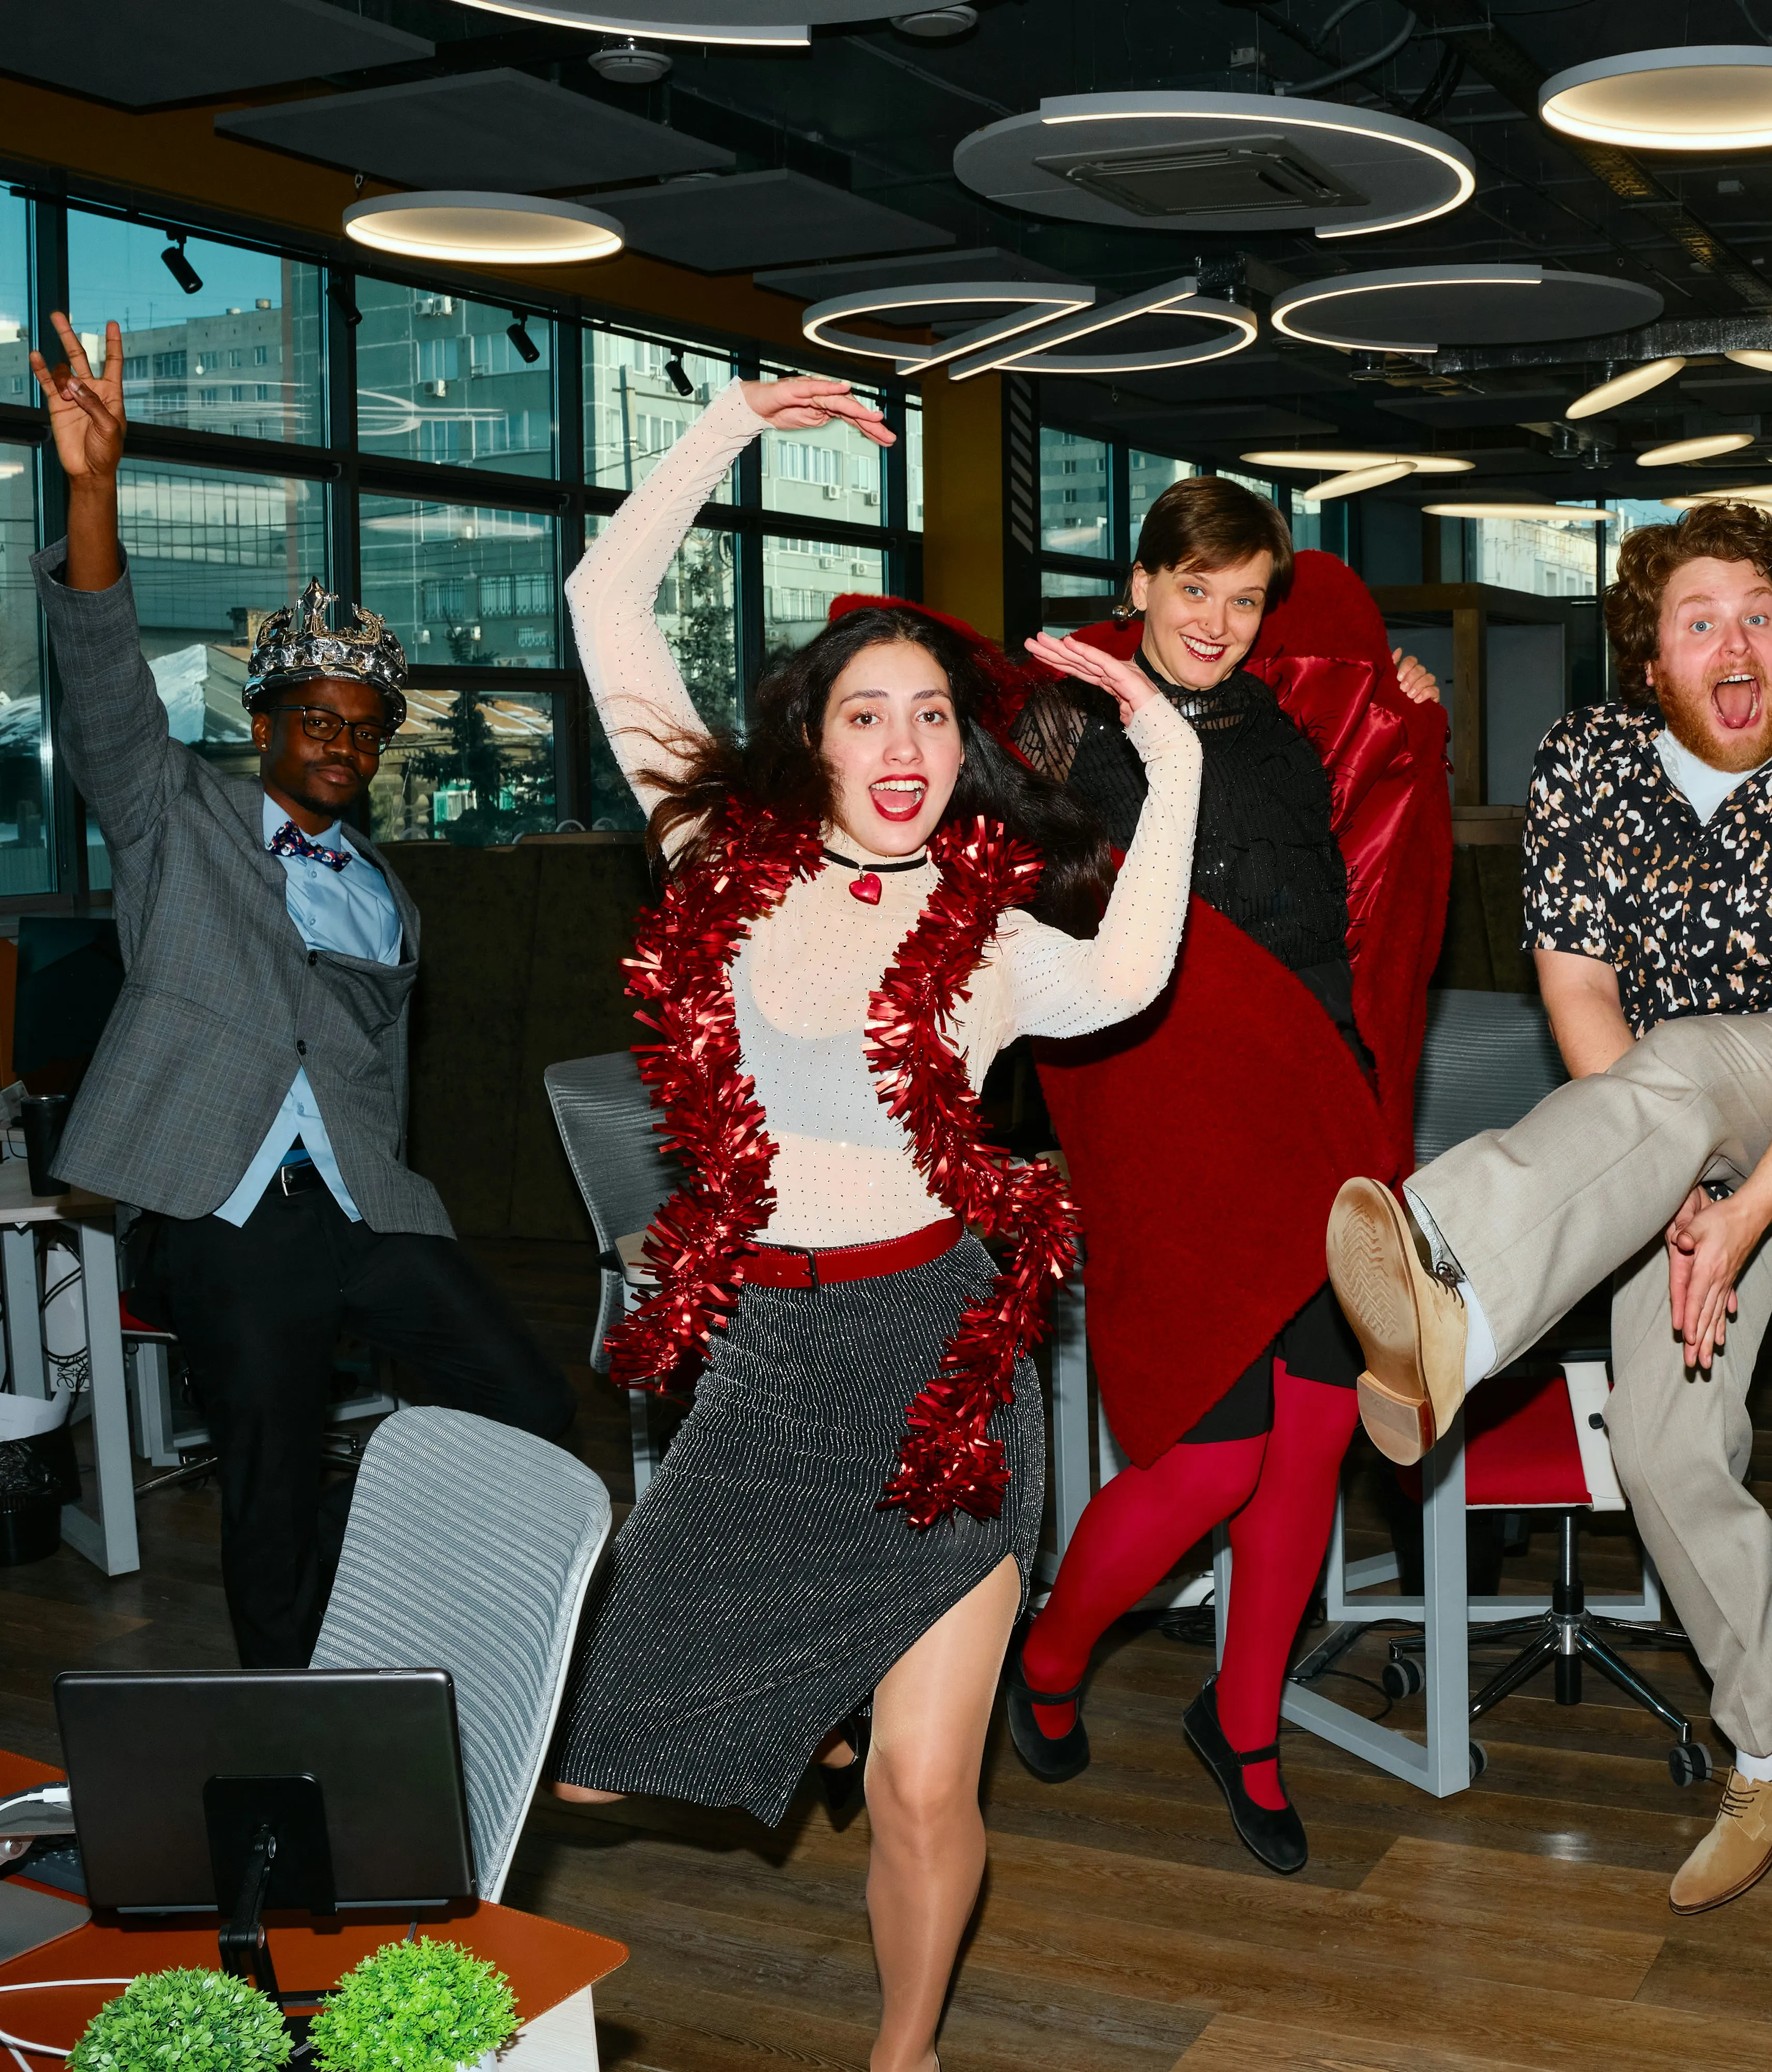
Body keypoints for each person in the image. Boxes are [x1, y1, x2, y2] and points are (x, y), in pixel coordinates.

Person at [546, 369, 1198, 2072]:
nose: (902, 751)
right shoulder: (719, 858)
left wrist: (1169, 736)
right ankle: (810, 1700)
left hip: (941, 1362)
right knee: (596, 1745)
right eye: (865, 717)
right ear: (812, 737)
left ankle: (900, 2058)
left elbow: (1133, 965)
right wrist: (730, 431)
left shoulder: (987, 935)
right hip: (767, 1359)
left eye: (929, 719)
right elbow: (604, 602)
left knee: (924, 1785)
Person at [1326, 499, 1772, 1915]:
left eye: (1757, 614)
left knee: (1681, 1070)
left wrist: (1733, 1214)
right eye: (1699, 620)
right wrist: (1677, 1199)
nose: (1734, 640)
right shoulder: (1588, 763)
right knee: (1664, 1437)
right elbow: (1577, 991)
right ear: (1652, 661)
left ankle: (1455, 1283)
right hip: (1672, 1134)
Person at [23, 313, 574, 1669]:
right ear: (265, 726)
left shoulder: (387, 892)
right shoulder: (177, 818)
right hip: (221, 1206)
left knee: (526, 1403)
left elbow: (369, 1072)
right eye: (314, 720)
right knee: (272, 1474)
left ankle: (427, 1599)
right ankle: (292, 1715)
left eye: (362, 727)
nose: (338, 744)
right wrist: (93, 488)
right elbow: (100, 682)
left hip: (369, 1212)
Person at [999, 480, 1450, 1877]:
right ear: (1138, 585)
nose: (1218, 620)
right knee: (1208, 1452)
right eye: (1193, 587)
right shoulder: (1063, 718)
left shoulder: (1286, 727)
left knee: (1313, 1430)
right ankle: (1054, 1650)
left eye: (1246, 596)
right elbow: (1021, 907)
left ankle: (1243, 1719)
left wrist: (1408, 711)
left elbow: (1360, 878)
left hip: (1317, 1095)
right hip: (1166, 1103)